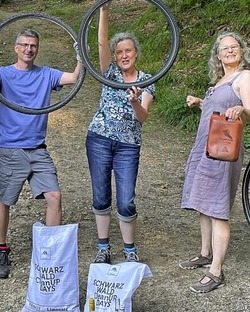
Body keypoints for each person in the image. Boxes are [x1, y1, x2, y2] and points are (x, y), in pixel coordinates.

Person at [0, 29, 83, 278]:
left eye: (33, 46)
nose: (28, 49)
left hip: (37, 149)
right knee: (5, 199)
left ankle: (50, 254)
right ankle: (1, 248)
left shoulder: (45, 74)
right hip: (10, 148)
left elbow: (74, 78)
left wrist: (81, 57)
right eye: (24, 45)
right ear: (16, 47)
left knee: (55, 196)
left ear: (37, 49)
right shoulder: (3, 73)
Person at [178, 32, 250, 293]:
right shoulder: (220, 79)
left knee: (217, 209)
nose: (230, 51)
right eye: (225, 48)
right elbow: (217, 112)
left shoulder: (244, 77)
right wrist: (201, 102)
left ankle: (216, 271)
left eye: (234, 47)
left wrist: (241, 111)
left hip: (223, 152)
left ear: (241, 51)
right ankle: (205, 253)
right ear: (218, 55)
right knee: (203, 203)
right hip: (205, 147)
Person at [87, 4, 155, 265]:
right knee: (101, 195)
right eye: (119, 52)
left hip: (128, 145)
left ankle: (129, 249)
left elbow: (143, 117)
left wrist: (135, 101)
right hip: (99, 139)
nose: (124, 55)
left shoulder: (147, 79)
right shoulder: (110, 72)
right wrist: (103, 10)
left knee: (126, 200)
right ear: (115, 57)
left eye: (128, 51)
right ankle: (103, 247)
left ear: (136, 53)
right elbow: (102, 42)